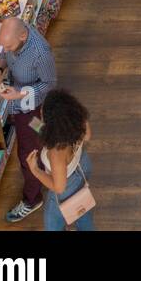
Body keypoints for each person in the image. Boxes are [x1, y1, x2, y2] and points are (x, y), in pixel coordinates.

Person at [0, 16, 57, 223]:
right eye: (3, 45)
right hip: (25, 109)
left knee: (27, 153)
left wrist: (19, 93)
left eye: (9, 46)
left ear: (23, 35)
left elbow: (49, 83)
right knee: (38, 133)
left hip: (31, 109)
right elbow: (5, 55)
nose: (6, 49)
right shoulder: (13, 41)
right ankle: (46, 159)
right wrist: (0, 70)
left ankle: (32, 198)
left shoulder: (40, 53)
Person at [27, 89, 95, 232]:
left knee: (52, 223)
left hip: (66, 183)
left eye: (42, 113)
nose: (40, 113)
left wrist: (35, 170)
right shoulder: (76, 119)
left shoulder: (56, 153)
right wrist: (34, 123)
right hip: (82, 165)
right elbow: (87, 135)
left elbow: (59, 187)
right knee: (83, 208)